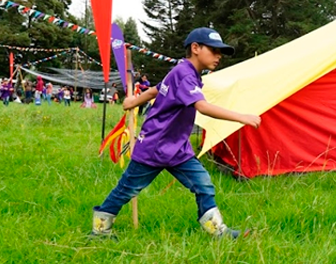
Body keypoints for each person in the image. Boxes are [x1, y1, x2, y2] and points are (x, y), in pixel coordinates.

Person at [91, 27, 261, 239]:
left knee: (203, 184)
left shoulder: (185, 72)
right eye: (214, 50)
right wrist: (241, 117)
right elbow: (202, 106)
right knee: (127, 189)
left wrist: (135, 100)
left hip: (178, 148)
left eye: (220, 52)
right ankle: (100, 230)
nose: (218, 56)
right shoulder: (184, 74)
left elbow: (156, 89)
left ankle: (218, 232)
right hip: (154, 146)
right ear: (196, 48)